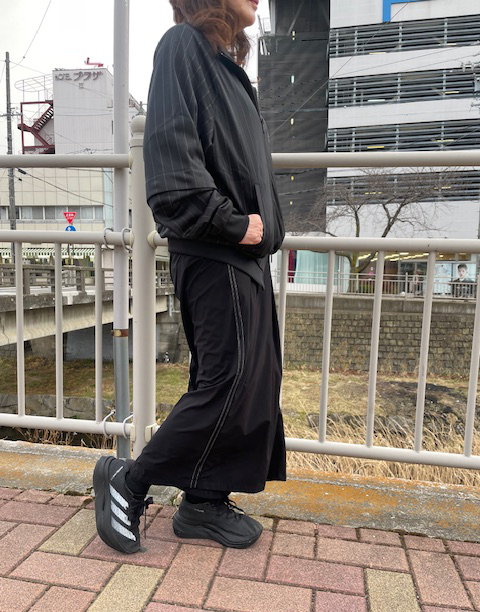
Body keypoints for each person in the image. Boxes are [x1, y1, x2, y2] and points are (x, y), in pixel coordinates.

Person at [93, 0, 286, 554]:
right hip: (217, 250)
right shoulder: (182, 46)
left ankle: (204, 500)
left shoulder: (224, 66)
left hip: (242, 256)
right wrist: (234, 225)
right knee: (228, 380)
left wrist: (260, 230)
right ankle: (128, 482)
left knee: (251, 382)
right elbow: (171, 160)